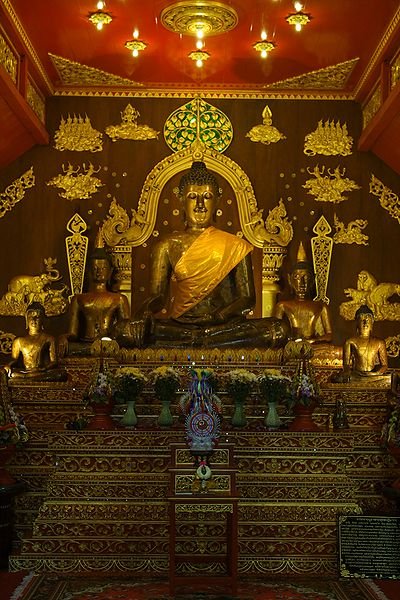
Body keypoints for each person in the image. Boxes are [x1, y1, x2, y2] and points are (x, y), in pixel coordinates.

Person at [130, 160, 288, 348]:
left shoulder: (235, 245)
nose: (199, 205)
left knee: (278, 329)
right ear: (181, 199)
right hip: (180, 326)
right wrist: (144, 313)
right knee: (124, 331)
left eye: (206, 196)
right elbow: (158, 297)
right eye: (192, 196)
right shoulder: (166, 246)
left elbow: (247, 299)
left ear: (217, 200)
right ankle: (200, 341)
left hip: (223, 327)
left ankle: (199, 340)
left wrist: (218, 316)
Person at [60, 247, 131, 355]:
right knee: (70, 349)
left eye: (103, 268)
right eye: (95, 268)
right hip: (85, 345)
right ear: (89, 270)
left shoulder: (119, 299)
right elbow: (73, 333)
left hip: (110, 345)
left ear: (110, 271)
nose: (98, 272)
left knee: (120, 350)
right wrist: (64, 337)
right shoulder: (78, 299)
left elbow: (126, 330)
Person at [274, 242, 333, 344]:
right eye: (297, 277)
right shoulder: (282, 306)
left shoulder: (321, 306)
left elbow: (329, 335)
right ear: (289, 280)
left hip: (313, 347)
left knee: (336, 352)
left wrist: (313, 340)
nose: (302, 283)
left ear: (313, 280)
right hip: (291, 346)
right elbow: (275, 333)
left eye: (306, 277)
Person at [5, 302, 67, 381]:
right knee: (10, 374)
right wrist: (8, 365)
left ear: (43, 320)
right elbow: (14, 359)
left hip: (40, 372)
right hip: (25, 372)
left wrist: (43, 369)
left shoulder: (49, 338)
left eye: (37, 317)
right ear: (27, 320)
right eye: (31, 317)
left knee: (60, 374)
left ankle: (28, 378)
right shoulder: (19, 341)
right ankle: (27, 377)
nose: (33, 320)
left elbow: (54, 361)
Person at [333, 305, 388, 382]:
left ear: (372, 322)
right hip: (357, 375)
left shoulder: (379, 342)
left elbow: (384, 365)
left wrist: (375, 373)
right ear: (357, 322)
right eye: (362, 320)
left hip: (374, 375)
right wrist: (347, 372)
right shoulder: (350, 341)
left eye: (368, 320)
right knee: (340, 378)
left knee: (390, 379)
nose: (365, 323)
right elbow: (346, 365)